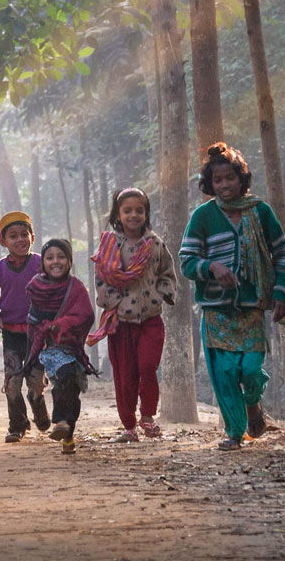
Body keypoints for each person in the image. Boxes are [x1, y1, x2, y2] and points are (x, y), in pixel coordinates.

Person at [178, 142, 285, 450]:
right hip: (216, 310)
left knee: (251, 370)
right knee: (225, 374)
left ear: (242, 179)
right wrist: (212, 267)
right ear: (209, 184)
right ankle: (234, 432)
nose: (224, 185)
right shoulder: (202, 217)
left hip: (253, 306)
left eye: (230, 178)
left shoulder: (261, 212)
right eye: (217, 180)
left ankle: (254, 404)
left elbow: (282, 254)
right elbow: (187, 260)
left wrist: (281, 295)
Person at [88, 186, 176, 442]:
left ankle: (148, 416)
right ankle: (129, 426)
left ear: (146, 213)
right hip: (120, 323)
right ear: (118, 214)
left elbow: (167, 274)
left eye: (139, 210)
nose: (133, 215)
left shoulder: (155, 243)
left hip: (150, 321)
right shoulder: (109, 244)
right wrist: (116, 302)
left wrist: (161, 294)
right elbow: (102, 278)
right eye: (127, 210)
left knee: (148, 366)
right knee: (124, 375)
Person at [24, 238, 95, 455]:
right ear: (43, 262)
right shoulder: (37, 288)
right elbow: (33, 322)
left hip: (72, 347)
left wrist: (62, 324)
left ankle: (67, 434)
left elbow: (86, 315)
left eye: (61, 257)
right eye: (50, 257)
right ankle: (62, 422)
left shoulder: (76, 287)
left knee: (70, 388)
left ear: (69, 261)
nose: (56, 261)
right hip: (49, 348)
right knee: (64, 376)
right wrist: (31, 357)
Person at [0, 211, 50, 442]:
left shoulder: (42, 263)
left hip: (38, 335)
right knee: (12, 383)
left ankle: (38, 403)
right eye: (13, 236)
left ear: (33, 236)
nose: (20, 239)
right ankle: (17, 425)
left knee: (35, 382)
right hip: (11, 333)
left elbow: (55, 290)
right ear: (4, 241)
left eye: (24, 234)